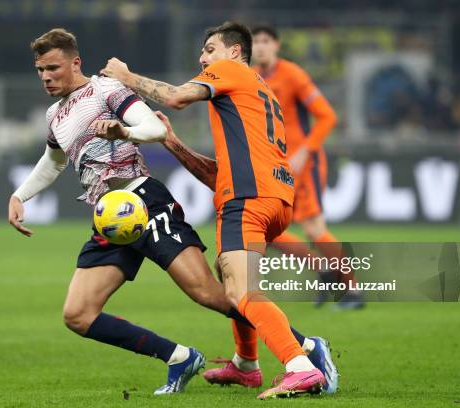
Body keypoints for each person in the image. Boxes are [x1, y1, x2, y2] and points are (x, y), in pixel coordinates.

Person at [8, 27, 259, 395]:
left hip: (142, 200)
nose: (46, 77)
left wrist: (123, 132)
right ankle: (179, 357)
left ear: (75, 63)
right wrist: (20, 195)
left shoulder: (105, 91)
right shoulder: (54, 115)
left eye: (53, 68)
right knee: (77, 315)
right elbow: (53, 161)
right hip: (110, 219)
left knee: (209, 294)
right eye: (40, 70)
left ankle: (301, 348)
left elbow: (153, 126)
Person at [100, 21, 337, 398]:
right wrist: (173, 143)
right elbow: (217, 174)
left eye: (209, 49)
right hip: (273, 198)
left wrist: (126, 77)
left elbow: (177, 97)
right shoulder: (258, 94)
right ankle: (246, 365)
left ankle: (301, 363)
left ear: (234, 51)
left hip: (248, 201)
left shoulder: (230, 71)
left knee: (243, 291)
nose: (202, 57)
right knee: (228, 276)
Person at [252, 25, 364, 309]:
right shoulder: (250, 79)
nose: (261, 46)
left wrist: (305, 152)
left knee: (314, 229)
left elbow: (327, 116)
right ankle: (322, 269)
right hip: (274, 166)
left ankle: (352, 289)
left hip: (305, 164)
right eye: (256, 42)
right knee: (267, 230)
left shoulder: (293, 75)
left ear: (276, 45)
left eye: (266, 41)